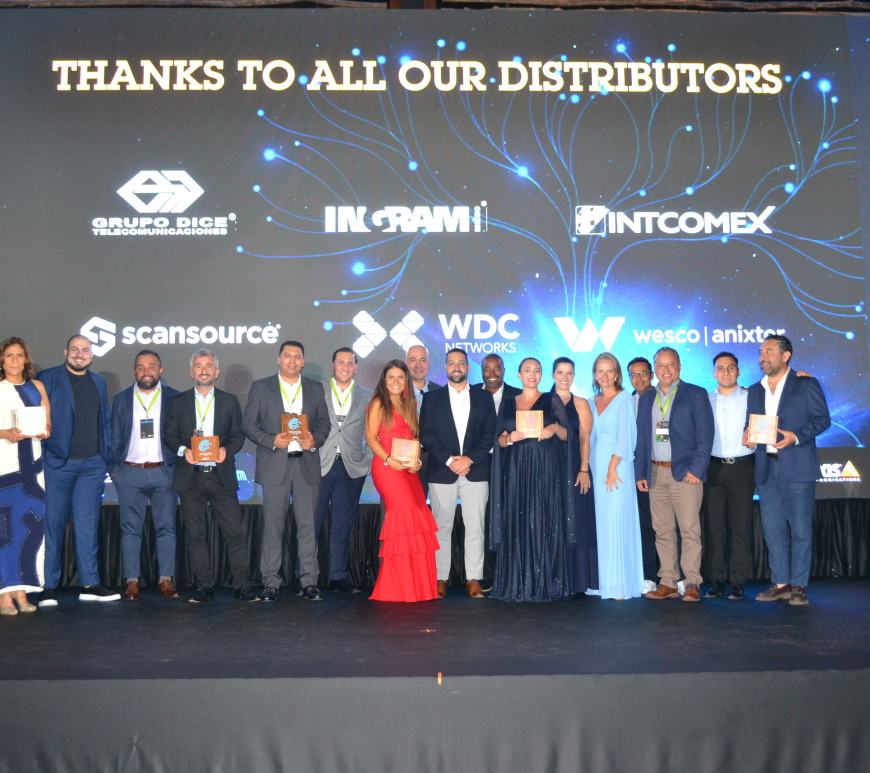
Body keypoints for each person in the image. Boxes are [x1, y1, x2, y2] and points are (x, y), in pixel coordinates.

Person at [242, 340, 331, 602]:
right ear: (278, 359)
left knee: (308, 527)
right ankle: (270, 582)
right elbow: (248, 424)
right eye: (287, 356)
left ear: (303, 361)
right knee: (273, 527)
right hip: (275, 464)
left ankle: (309, 582)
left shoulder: (315, 388)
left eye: (297, 356)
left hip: (306, 465)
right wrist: (271, 440)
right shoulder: (261, 387)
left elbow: (324, 424)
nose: (292, 360)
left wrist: (314, 439)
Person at [744, 335, 830, 607]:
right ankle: (781, 584)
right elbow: (752, 425)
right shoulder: (755, 390)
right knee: (773, 531)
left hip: (797, 467)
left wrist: (796, 436)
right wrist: (747, 436)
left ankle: (799, 586)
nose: (763, 356)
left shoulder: (805, 384)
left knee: (801, 529)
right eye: (761, 351)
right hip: (766, 468)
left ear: (786, 355)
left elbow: (822, 419)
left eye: (769, 351)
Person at [165, 348, 255, 603]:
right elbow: (169, 434)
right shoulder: (179, 401)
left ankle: (242, 585)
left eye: (208, 366)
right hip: (190, 477)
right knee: (196, 535)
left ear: (216, 372)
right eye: (198, 366)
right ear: (191, 372)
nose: (203, 370)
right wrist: (184, 451)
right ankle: (204, 585)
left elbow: (238, 434)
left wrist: (227, 450)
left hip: (220, 476)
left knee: (235, 532)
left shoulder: (229, 401)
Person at [38, 335, 118, 606]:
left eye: (85, 350)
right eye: (75, 349)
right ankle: (49, 586)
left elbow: (104, 420)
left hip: (92, 466)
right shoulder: (48, 378)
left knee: (87, 526)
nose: (80, 354)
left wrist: (105, 457)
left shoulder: (99, 382)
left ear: (92, 356)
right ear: (66, 352)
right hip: (58, 464)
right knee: (53, 525)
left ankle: (90, 584)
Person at [490, 357, 573, 602]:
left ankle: (545, 582)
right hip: (515, 472)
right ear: (518, 374)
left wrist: (553, 429)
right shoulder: (508, 402)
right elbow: (498, 440)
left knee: (542, 519)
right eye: (527, 370)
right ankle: (517, 583)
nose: (532, 374)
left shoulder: (551, 399)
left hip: (545, 471)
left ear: (542, 375)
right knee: (516, 522)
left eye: (537, 370)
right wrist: (510, 438)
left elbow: (568, 434)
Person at [635, 347, 714, 603]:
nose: (666, 370)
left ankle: (692, 582)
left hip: (685, 473)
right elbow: (642, 439)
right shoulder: (647, 397)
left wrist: (697, 469)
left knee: (689, 530)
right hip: (655, 472)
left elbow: (705, 435)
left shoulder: (695, 394)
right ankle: (668, 581)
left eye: (671, 365)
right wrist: (641, 472)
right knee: (662, 530)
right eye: (661, 365)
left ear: (679, 366)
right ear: (655, 370)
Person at [420, 349, 496, 599]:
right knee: (441, 527)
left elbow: (489, 434)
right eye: (451, 363)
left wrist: (469, 459)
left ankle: (473, 578)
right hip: (443, 470)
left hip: (476, 469)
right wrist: (451, 460)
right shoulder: (432, 398)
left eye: (461, 363)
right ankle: (440, 578)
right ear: (445, 367)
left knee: (476, 527)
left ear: (467, 367)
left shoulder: (484, 397)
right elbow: (427, 435)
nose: (456, 367)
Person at [365, 360, 438, 602]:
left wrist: (416, 463)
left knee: (416, 515)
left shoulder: (410, 403)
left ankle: (418, 586)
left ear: (406, 380)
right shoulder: (379, 403)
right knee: (403, 517)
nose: (396, 382)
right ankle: (397, 587)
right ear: (384, 381)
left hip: (407, 469)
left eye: (400, 377)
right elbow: (371, 438)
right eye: (391, 377)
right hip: (387, 468)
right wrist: (389, 460)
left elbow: (412, 439)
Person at [110, 350, 180, 601]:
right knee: (130, 529)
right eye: (140, 367)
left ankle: (166, 579)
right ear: (134, 371)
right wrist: (114, 469)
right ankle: (131, 581)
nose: (146, 371)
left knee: (166, 527)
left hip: (164, 471)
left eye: (151, 366)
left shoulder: (174, 398)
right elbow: (113, 435)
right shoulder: (121, 399)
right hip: (129, 472)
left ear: (161, 370)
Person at [314, 347, 373, 593]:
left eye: (350, 363)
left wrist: (366, 461)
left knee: (342, 525)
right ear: (332, 366)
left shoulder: (368, 396)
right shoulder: (316, 391)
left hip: (351, 467)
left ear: (356, 368)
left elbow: (373, 432)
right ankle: (306, 577)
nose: (345, 367)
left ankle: (338, 576)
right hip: (319, 465)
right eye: (341, 362)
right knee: (311, 523)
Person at [587, 353, 644, 600]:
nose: (605, 375)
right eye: (600, 370)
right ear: (595, 374)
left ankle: (620, 583)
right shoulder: (591, 401)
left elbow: (627, 435)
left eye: (609, 370)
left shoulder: (624, 399)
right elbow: (587, 437)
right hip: (595, 466)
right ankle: (602, 582)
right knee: (600, 523)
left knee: (616, 521)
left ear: (617, 374)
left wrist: (612, 465)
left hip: (618, 467)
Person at [0, 337, 50, 615]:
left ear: (26, 359)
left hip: (33, 470)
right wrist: (5, 433)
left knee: (31, 529)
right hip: (5, 468)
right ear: (2, 360)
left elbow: (48, 425)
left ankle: (22, 590)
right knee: (4, 533)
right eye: (9, 355)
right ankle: (4, 595)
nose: (15, 360)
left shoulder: (37, 387)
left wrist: (43, 430)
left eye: (19, 355)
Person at [703, 352, 755, 600]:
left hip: (743, 467)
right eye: (721, 368)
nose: (726, 372)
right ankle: (716, 581)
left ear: (738, 371)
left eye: (731, 367)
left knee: (740, 527)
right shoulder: (705, 400)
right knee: (714, 527)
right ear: (714, 372)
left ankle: (737, 581)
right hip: (713, 467)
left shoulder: (751, 397)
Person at [551, 356, 598, 596]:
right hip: (549, 470)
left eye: (569, 373)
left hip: (575, 469)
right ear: (553, 375)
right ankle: (554, 579)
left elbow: (584, 437)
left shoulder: (580, 403)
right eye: (560, 372)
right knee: (554, 522)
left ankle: (577, 581)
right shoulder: (542, 401)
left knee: (576, 521)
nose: (565, 377)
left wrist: (584, 468)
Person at [628, 357, 658, 589]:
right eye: (634, 375)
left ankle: (671, 576)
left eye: (643, 373)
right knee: (643, 526)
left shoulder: (660, 399)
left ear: (651, 375)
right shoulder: (626, 401)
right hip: (631, 473)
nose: (638, 379)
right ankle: (648, 575)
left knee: (662, 526)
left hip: (656, 470)